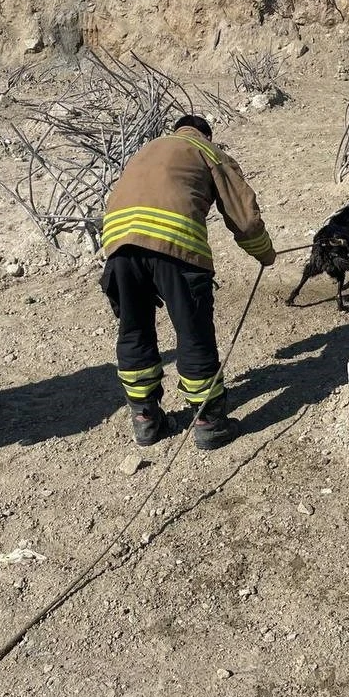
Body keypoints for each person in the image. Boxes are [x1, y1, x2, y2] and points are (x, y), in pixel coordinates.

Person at [101, 115, 275, 451]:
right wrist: (265, 253)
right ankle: (209, 424)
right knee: (193, 334)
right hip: (174, 246)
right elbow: (244, 217)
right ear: (205, 134)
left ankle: (145, 420)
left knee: (134, 330)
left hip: (119, 246)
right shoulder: (205, 149)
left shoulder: (148, 148)